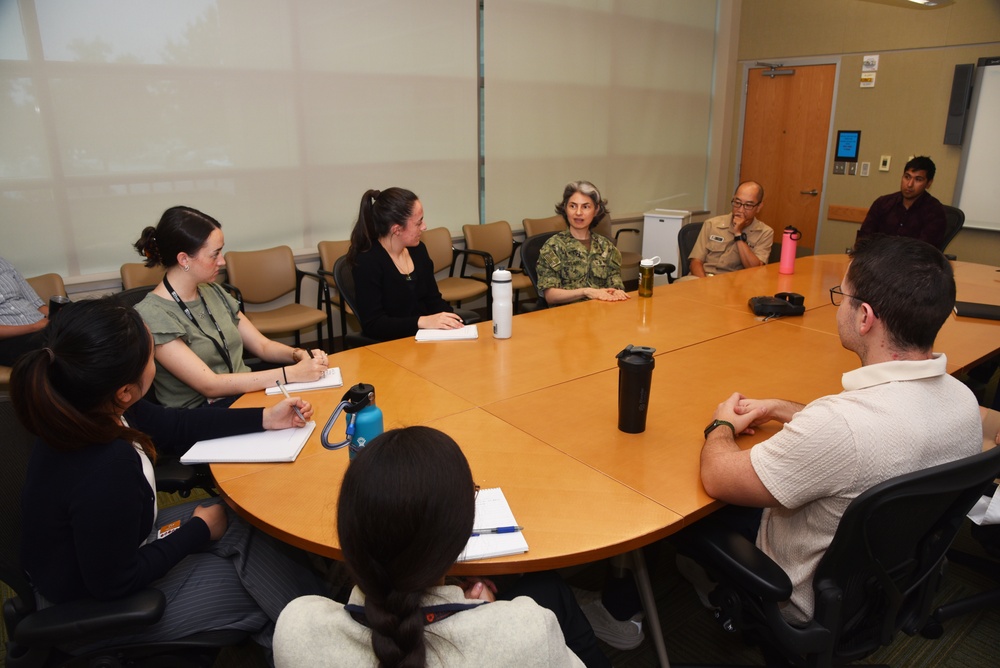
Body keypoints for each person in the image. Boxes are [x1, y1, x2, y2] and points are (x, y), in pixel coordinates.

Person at [692, 236, 982, 624]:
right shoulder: (963, 400)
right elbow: (869, 432)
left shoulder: (839, 426)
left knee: (695, 514)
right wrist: (781, 408)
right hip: (885, 581)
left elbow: (717, 475)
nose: (837, 307)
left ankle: (628, 608)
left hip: (799, 595)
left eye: (840, 297)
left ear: (864, 317)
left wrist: (722, 424)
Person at [11, 298, 326, 653]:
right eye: (150, 356)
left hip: (109, 555)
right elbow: (114, 583)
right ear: (125, 391)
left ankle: (311, 626)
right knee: (255, 583)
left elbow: (177, 424)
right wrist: (198, 531)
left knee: (244, 519)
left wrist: (266, 417)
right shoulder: (105, 466)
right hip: (90, 608)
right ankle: (317, 642)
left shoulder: (88, 407)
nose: (156, 362)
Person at [274, 426, 609, 667]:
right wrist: (488, 617)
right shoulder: (527, 630)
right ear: (459, 535)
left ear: (348, 533)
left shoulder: (296, 628)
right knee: (547, 587)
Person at [133, 206, 329, 408]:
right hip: (202, 416)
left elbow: (262, 346)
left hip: (244, 398)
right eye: (214, 254)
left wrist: (297, 354)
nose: (222, 261)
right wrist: (292, 374)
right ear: (184, 259)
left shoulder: (213, 292)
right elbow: (210, 385)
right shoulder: (152, 314)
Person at [347, 188, 465, 342]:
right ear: (397, 229)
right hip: (392, 345)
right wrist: (422, 322)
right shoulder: (368, 261)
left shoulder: (418, 250)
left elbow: (433, 300)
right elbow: (374, 324)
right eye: (418, 222)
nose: (424, 226)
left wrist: (455, 323)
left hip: (426, 340)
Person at [535, 181, 629, 306]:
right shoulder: (553, 246)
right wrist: (586, 292)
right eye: (573, 206)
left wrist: (617, 291)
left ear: (596, 210)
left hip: (601, 313)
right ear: (565, 208)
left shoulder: (606, 247)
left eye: (585, 207)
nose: (578, 213)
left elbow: (615, 282)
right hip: (566, 316)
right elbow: (550, 296)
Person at [856, 155, 947, 249]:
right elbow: (864, 239)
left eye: (918, 179)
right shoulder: (883, 203)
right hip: (878, 260)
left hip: (912, 262)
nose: (909, 184)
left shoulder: (935, 211)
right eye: (907, 177)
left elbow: (925, 251)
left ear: (928, 183)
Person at [687, 181, 773, 278]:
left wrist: (738, 234)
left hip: (733, 284)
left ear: (759, 207)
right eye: (737, 203)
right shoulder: (711, 224)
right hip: (702, 278)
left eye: (748, 205)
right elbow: (695, 262)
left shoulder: (765, 232)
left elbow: (755, 270)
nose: (740, 210)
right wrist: (704, 284)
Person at [0, 255, 49, 366]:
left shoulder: (3, 263)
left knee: (81, 324)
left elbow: (37, 304)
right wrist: (35, 327)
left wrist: (62, 316)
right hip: (9, 340)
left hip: (40, 326)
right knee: (55, 344)